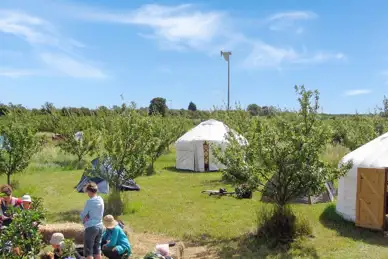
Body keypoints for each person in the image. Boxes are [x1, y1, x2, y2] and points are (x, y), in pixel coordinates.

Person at [80, 182, 104, 259]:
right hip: (100, 226)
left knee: (88, 250)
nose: (87, 193)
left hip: (91, 227)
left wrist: (84, 217)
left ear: (90, 191)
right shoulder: (100, 199)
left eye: (87, 191)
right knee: (97, 249)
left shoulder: (89, 202)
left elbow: (83, 214)